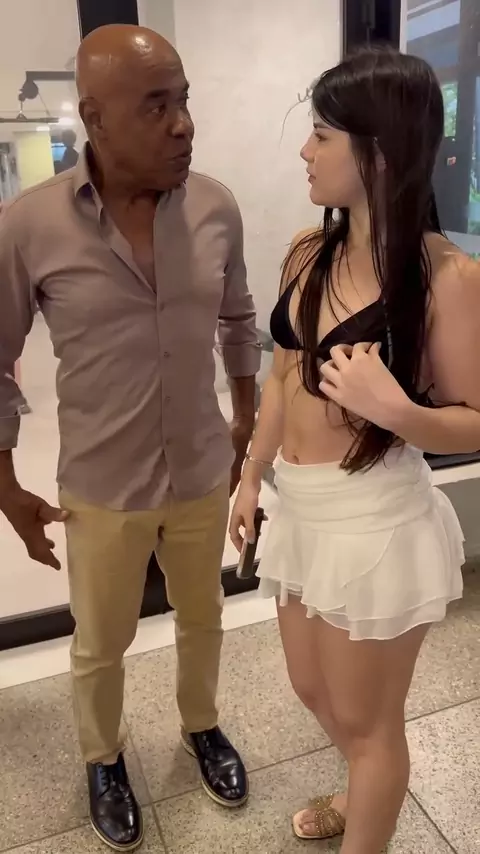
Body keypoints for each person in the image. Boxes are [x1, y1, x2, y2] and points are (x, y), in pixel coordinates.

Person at [0, 24, 260, 852]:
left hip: (201, 468)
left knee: (203, 614)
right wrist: (5, 486)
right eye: (155, 106)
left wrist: (245, 415)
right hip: (102, 484)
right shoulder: (28, 226)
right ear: (95, 119)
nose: (183, 124)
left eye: (183, 100)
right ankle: (103, 758)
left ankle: (202, 725)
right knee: (100, 639)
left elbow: (239, 318)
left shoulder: (215, 207)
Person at [230, 46, 479, 854]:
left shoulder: (447, 278)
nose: (305, 151)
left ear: (379, 153)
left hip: (374, 522)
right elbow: (283, 377)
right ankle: (359, 787)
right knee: (312, 688)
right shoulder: (309, 250)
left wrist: (398, 410)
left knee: (371, 725)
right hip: (299, 509)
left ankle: (366, 807)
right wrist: (250, 475)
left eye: (322, 135)